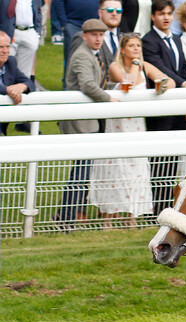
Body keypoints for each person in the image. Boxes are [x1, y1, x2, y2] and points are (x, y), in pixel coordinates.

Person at [91, 33, 166, 228]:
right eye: (131, 45)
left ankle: (132, 216)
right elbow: (129, 83)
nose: (136, 49)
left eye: (138, 46)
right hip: (118, 125)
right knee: (114, 166)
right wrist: (136, 64)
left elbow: (166, 80)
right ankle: (108, 216)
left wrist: (160, 86)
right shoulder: (116, 66)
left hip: (136, 125)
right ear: (122, 49)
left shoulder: (144, 66)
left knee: (136, 168)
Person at [57, 19, 120, 228]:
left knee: (82, 172)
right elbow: (88, 85)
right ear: (84, 36)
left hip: (87, 121)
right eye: (94, 35)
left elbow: (98, 84)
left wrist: (118, 86)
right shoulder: (82, 56)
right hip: (80, 123)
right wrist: (110, 99)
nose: (98, 39)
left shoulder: (90, 55)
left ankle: (66, 216)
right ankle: (66, 218)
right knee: (80, 173)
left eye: (101, 35)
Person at [142, 0, 186, 215]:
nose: (166, 18)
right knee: (159, 162)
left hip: (177, 109)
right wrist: (184, 83)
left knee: (174, 161)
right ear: (153, 17)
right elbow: (161, 68)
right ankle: (158, 209)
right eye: (161, 14)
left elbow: (182, 67)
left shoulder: (175, 39)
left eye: (169, 13)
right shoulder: (148, 41)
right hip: (160, 109)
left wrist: (185, 84)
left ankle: (169, 206)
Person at [69, 0, 123, 71]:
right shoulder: (83, 37)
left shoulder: (124, 38)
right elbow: (73, 70)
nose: (114, 14)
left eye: (119, 11)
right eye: (110, 10)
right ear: (100, 13)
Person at [0, 31, 35, 136]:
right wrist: (9, 91)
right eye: (1, 47)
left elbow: (30, 83)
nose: (5, 51)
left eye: (7, 46)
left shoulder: (10, 63)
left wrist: (21, 86)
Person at [1, 0, 42, 82]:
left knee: (25, 71)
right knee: (7, 63)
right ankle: (5, 88)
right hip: (11, 32)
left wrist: (37, 33)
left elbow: (38, 11)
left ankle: (22, 89)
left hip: (30, 32)